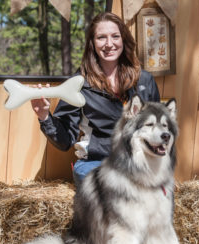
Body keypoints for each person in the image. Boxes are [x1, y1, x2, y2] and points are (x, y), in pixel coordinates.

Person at [31, 12, 160, 186]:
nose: (109, 44)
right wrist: (44, 116)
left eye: (115, 36)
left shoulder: (144, 80)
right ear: (92, 43)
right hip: (94, 164)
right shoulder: (78, 84)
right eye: (101, 37)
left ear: (124, 40)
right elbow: (65, 141)